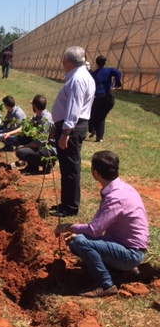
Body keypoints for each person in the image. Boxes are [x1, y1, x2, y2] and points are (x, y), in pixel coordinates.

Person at [55, 151, 148, 298]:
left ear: (95, 173)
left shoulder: (115, 198)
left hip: (131, 253)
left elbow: (94, 230)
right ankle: (121, 271)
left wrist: (67, 227)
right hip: (128, 246)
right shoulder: (124, 188)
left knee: (80, 241)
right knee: (75, 243)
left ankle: (106, 285)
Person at [50, 46, 95, 217]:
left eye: (63, 60)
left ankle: (70, 207)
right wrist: (58, 126)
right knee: (67, 167)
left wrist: (65, 133)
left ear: (68, 61)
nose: (62, 63)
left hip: (73, 128)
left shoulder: (77, 79)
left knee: (70, 168)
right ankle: (66, 203)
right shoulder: (81, 76)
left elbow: (74, 108)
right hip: (72, 126)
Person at [15, 94, 55, 175]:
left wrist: (24, 146)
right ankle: (32, 167)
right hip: (40, 145)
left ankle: (48, 162)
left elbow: (41, 142)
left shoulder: (46, 120)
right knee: (21, 137)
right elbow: (26, 127)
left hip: (47, 149)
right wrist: (10, 133)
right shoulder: (37, 116)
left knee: (20, 152)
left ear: (35, 106)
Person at [88, 55, 122, 142]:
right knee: (101, 116)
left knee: (93, 114)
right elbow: (118, 73)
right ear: (105, 63)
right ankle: (99, 137)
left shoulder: (94, 74)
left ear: (96, 63)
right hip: (108, 97)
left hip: (98, 97)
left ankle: (93, 129)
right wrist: (117, 85)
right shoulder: (109, 70)